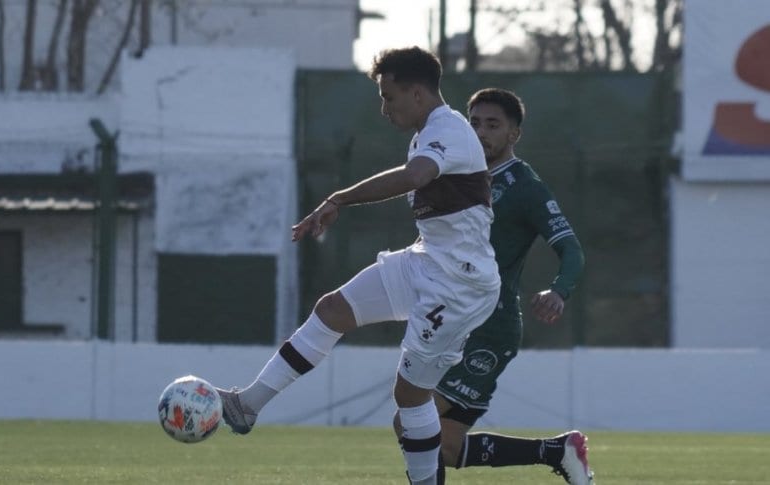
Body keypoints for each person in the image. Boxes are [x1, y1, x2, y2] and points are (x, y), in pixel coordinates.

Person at [217, 46, 501, 485]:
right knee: (332, 310)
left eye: (389, 96)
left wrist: (339, 198)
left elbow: (414, 176)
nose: (383, 107)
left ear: (419, 94)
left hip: (458, 286)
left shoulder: (450, 131)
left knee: (410, 396)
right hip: (428, 262)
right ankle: (246, 405)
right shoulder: (428, 132)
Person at [391, 87, 592, 484]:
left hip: (490, 327)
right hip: (451, 318)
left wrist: (558, 290)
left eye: (493, 125)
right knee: (442, 444)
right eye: (475, 123)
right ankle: (555, 451)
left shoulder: (524, 186)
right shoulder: (457, 173)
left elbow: (572, 250)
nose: (481, 132)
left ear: (514, 134)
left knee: (411, 418)